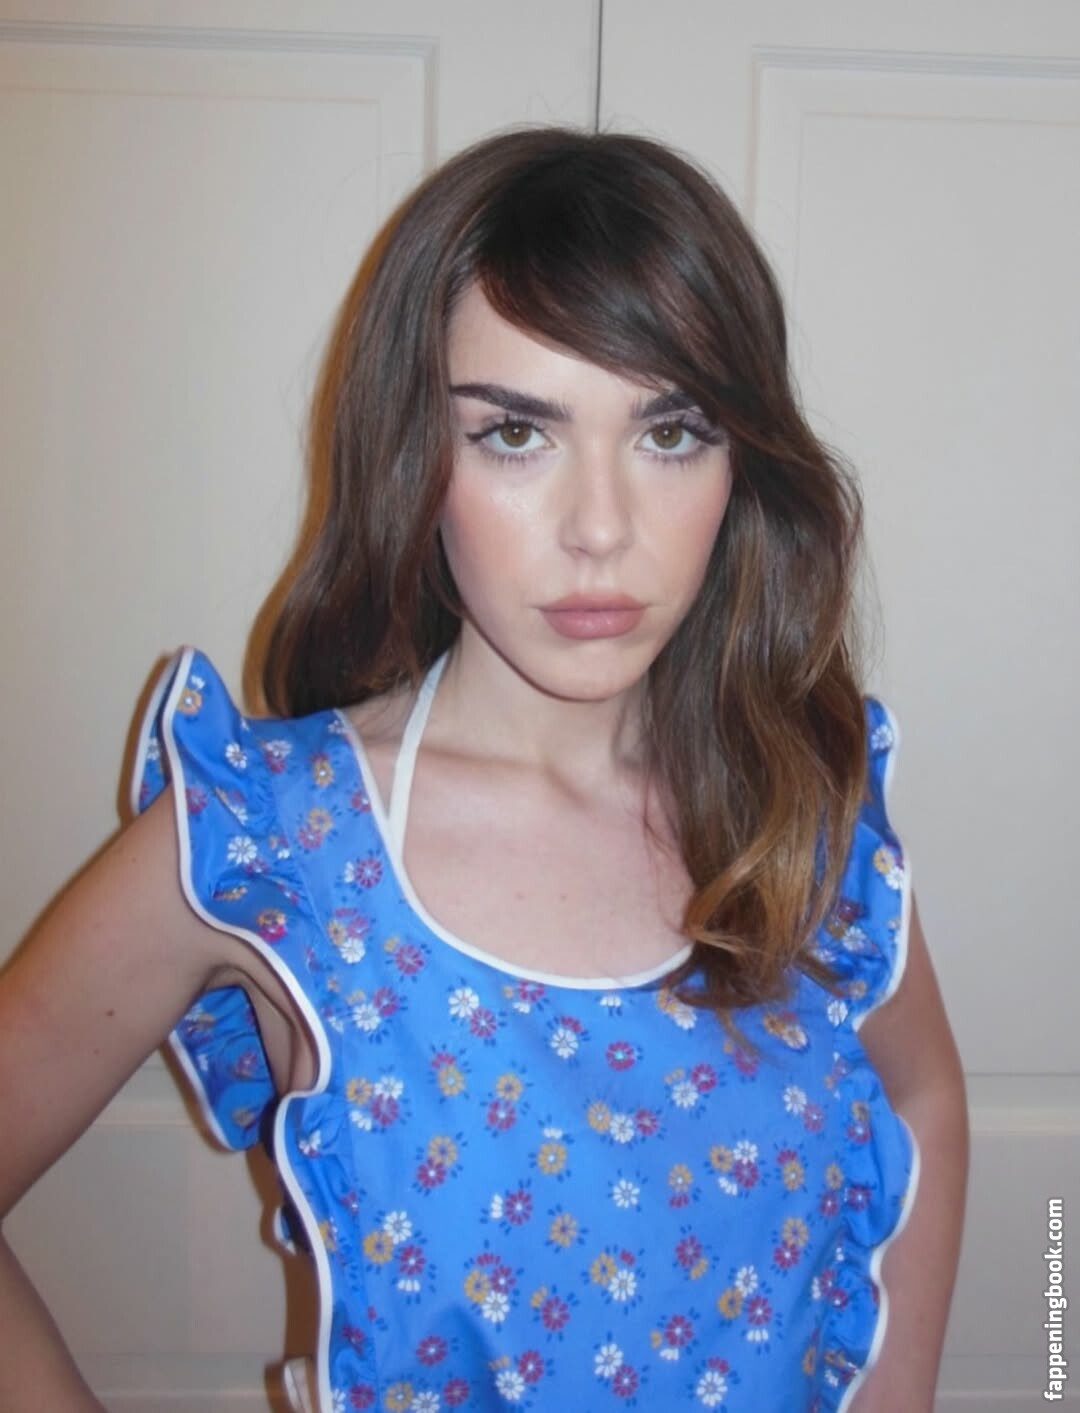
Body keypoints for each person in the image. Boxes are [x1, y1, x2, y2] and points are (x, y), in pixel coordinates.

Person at [0, 126, 968, 1412]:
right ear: (417, 453)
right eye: (516, 432)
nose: (601, 528)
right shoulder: (267, 843)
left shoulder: (802, 809)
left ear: (744, 465)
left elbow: (924, 1090)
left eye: (673, 431)